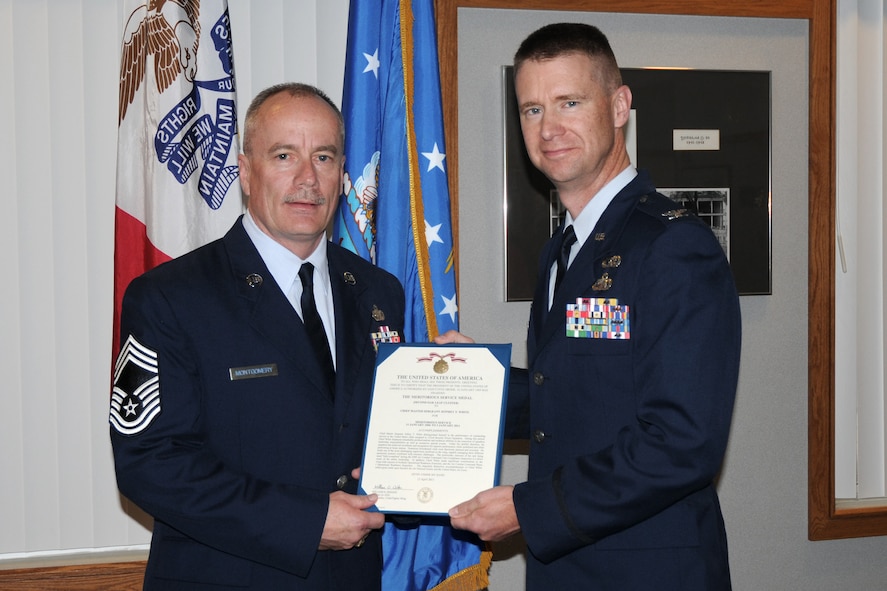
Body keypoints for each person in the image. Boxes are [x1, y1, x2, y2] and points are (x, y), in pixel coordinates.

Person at [438, 23, 741, 590]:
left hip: (648, 571)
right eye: (531, 110)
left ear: (619, 105)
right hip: (569, 570)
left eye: (568, 102)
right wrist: (479, 381)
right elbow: (578, 395)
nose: (548, 128)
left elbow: (682, 442)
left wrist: (530, 510)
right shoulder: (564, 249)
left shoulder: (673, 246)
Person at [110, 83, 405, 590]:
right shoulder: (169, 299)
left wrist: (464, 379)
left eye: (325, 157)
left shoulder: (378, 292)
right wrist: (306, 522)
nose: (307, 179)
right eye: (284, 155)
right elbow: (151, 466)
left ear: (343, 177)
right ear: (247, 172)